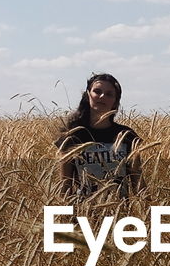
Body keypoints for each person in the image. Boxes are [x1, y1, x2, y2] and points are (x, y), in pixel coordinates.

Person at [56, 73, 142, 203]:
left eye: (109, 94)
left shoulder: (126, 135)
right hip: (82, 213)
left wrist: (148, 213)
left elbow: (138, 180)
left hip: (120, 212)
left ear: (115, 101)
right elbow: (65, 185)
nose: (102, 96)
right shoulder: (72, 136)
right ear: (88, 94)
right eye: (97, 91)